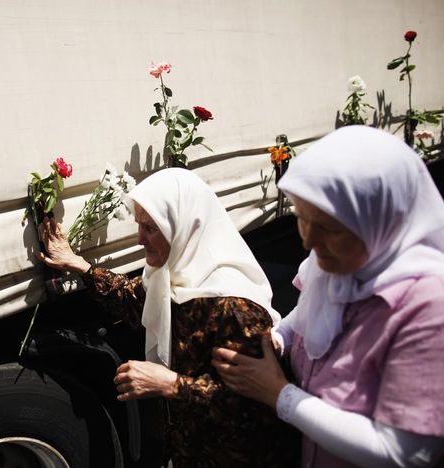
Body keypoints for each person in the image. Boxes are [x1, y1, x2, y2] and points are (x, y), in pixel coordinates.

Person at [211, 126, 444, 467]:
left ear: (384, 220)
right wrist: (277, 338)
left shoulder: (427, 306)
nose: (308, 242)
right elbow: (304, 315)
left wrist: (281, 395)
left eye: (331, 229)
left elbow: (408, 454)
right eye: (301, 220)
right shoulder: (331, 267)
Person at [37, 168, 300, 467]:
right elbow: (134, 299)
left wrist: (172, 384)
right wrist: (80, 266)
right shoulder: (172, 274)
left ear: (182, 226)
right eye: (139, 226)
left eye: (150, 229)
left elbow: (253, 404)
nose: (139, 239)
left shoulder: (235, 307)